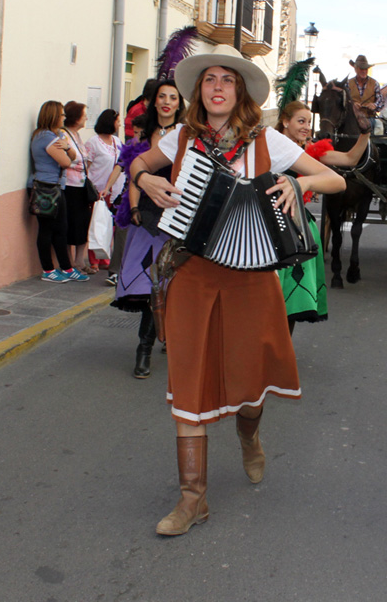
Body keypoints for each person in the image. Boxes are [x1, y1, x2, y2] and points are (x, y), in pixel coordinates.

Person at [129, 45, 345, 537]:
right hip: (192, 272)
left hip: (252, 278)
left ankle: (250, 435)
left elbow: (332, 179)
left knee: (250, 384)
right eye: (210, 79)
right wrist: (146, 179)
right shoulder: (181, 138)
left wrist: (297, 184)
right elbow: (138, 162)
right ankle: (192, 499)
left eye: (227, 79)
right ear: (198, 90)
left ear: (240, 91)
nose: (218, 87)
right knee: (187, 379)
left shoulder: (267, 140)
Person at [275, 101, 370, 332]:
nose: (306, 126)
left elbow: (349, 159)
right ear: (285, 122)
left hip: (296, 225)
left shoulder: (309, 152)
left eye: (309, 122)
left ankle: (284, 346)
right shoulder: (268, 145)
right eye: (301, 121)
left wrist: (365, 133)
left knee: (293, 297)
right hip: (269, 224)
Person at [112, 80, 184, 379]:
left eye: (173, 97)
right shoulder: (143, 134)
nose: (167, 101)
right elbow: (134, 176)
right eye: (162, 96)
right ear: (154, 102)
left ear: (179, 104)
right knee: (150, 285)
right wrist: (135, 209)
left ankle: (167, 334)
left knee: (174, 287)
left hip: (178, 217)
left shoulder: (188, 135)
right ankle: (144, 349)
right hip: (148, 218)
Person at [30, 101, 89, 284]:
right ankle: (48, 270)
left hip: (56, 187)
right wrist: (66, 149)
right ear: (54, 116)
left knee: (61, 229)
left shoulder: (56, 136)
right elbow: (65, 162)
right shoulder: (45, 137)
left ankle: (67, 268)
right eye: (62, 114)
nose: (64, 117)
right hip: (46, 188)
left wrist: (67, 147)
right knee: (47, 229)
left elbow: (73, 156)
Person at [84, 109, 123, 274]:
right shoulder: (93, 143)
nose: (119, 124)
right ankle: (94, 260)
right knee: (97, 224)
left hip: (115, 191)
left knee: (109, 226)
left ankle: (106, 259)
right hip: (98, 189)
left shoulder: (117, 141)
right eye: (117, 121)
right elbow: (87, 166)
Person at [61, 101, 94, 274]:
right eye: (83, 115)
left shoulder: (77, 135)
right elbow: (66, 159)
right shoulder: (64, 135)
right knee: (70, 222)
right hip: (70, 185)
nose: (86, 118)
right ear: (75, 117)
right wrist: (78, 165)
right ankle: (70, 262)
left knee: (83, 222)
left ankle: (80, 261)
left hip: (81, 185)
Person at [347, 54, 382, 129]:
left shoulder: (374, 83)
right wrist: (352, 105)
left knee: (367, 126)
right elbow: (344, 101)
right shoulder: (348, 83)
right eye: (361, 69)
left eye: (366, 69)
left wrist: (374, 105)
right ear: (355, 69)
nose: (364, 71)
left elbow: (380, 101)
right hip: (352, 118)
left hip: (369, 117)